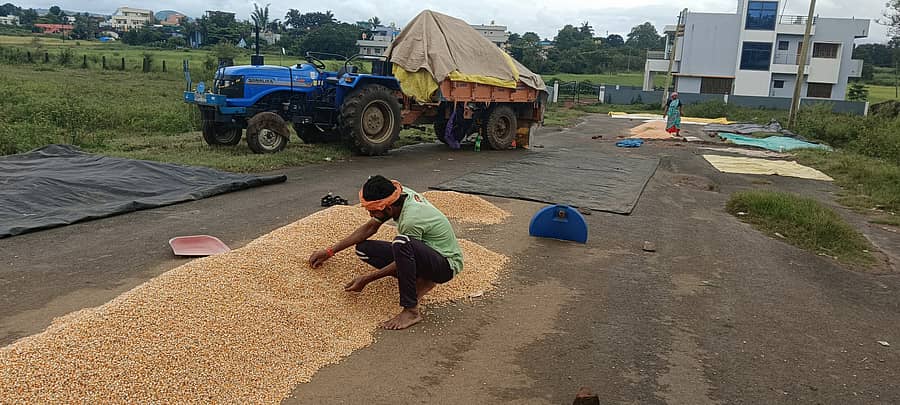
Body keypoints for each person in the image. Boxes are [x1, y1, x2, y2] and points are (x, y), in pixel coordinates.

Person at [308, 175, 464, 330]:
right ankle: (422, 280)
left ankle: (411, 310)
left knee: (401, 243)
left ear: (388, 208)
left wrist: (367, 279)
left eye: (373, 212)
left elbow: (406, 257)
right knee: (364, 249)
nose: (371, 215)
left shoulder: (411, 220)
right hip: (425, 253)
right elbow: (369, 228)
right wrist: (330, 251)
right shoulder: (398, 196)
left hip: (446, 265)